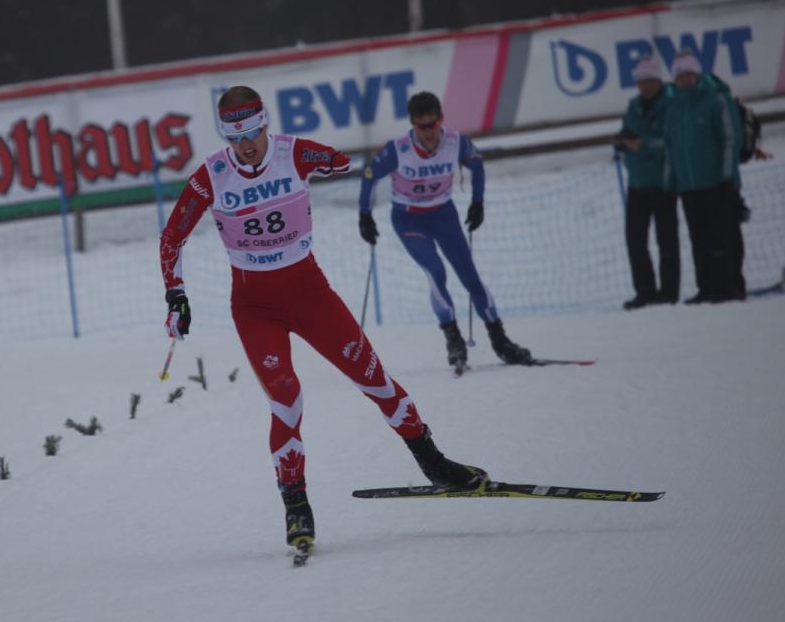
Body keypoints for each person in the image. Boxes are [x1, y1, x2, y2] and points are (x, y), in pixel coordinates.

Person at [158, 85, 487, 557]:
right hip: (255, 307)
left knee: (374, 378)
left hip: (310, 294)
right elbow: (172, 237)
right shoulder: (210, 176)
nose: (247, 144)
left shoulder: (291, 152)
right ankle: (296, 504)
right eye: (236, 137)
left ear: (265, 124)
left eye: (253, 132)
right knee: (286, 397)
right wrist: (176, 296)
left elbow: (340, 161)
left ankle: (434, 462)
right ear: (225, 137)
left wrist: (317, 158)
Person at [357, 91, 532, 371]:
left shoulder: (455, 142)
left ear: (441, 120)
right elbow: (369, 177)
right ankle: (454, 340)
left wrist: (478, 203)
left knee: (471, 279)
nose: (427, 132)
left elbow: (477, 164)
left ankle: (501, 342)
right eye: (420, 126)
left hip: (443, 215)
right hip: (409, 220)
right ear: (412, 124)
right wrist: (365, 216)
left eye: (432, 124)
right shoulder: (398, 149)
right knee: (436, 271)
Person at [662, 52, 743, 303]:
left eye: (689, 75)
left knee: (724, 236)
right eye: (680, 76)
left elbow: (731, 138)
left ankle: (730, 286)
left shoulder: (716, 99)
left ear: (697, 75)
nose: (685, 80)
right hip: (689, 185)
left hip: (717, 182)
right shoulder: (674, 108)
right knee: (699, 238)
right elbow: (670, 147)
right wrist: (670, 183)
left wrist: (727, 176)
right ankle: (706, 286)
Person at [613, 56, 680, 309]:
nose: (644, 86)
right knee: (635, 239)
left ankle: (669, 292)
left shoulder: (671, 103)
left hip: (664, 182)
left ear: (658, 80)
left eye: (649, 81)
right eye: (640, 82)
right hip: (638, 182)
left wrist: (642, 144)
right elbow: (627, 132)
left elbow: (672, 139)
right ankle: (645, 291)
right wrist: (621, 141)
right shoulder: (634, 106)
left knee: (667, 238)